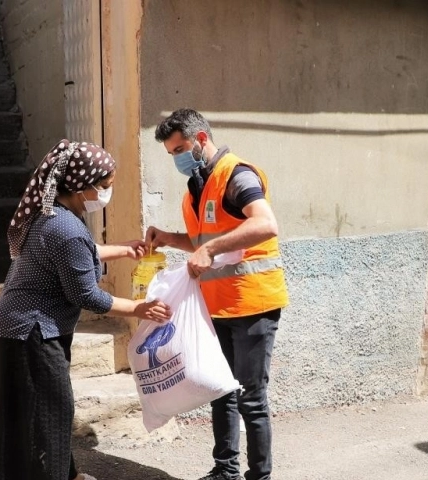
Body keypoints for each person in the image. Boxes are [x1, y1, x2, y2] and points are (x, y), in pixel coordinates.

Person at [0, 139, 171, 480]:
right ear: (81, 186)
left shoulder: (52, 213)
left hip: (19, 324)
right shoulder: (66, 228)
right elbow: (88, 295)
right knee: (50, 409)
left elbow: (78, 254)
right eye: (103, 187)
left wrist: (121, 250)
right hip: (32, 330)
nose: (105, 194)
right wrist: (140, 308)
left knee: (32, 409)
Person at [146, 109, 288, 480]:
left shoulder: (236, 175)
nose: (176, 157)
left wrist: (207, 251)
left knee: (250, 399)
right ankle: (225, 471)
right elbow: (202, 241)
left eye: (179, 148)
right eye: (170, 152)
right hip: (217, 307)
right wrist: (168, 238)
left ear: (201, 140)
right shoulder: (198, 185)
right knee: (220, 391)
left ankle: (260, 476)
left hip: (252, 303)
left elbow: (265, 223)